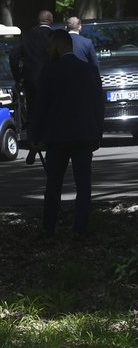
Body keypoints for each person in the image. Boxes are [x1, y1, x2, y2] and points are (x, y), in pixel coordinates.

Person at [30, 30, 104, 238]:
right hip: (84, 135)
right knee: (83, 184)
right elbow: (99, 105)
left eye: (50, 46)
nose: (47, 50)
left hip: (58, 136)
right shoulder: (88, 70)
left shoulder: (50, 71)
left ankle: (49, 226)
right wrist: (98, 132)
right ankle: (80, 227)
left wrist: (34, 136)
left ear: (59, 45)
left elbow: (41, 106)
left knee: (54, 183)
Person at [9, 10, 54, 122]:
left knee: (34, 113)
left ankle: (34, 137)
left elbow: (13, 56)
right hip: (53, 80)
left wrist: (19, 78)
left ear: (38, 21)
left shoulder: (27, 36)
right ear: (51, 21)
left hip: (32, 82)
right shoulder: (54, 36)